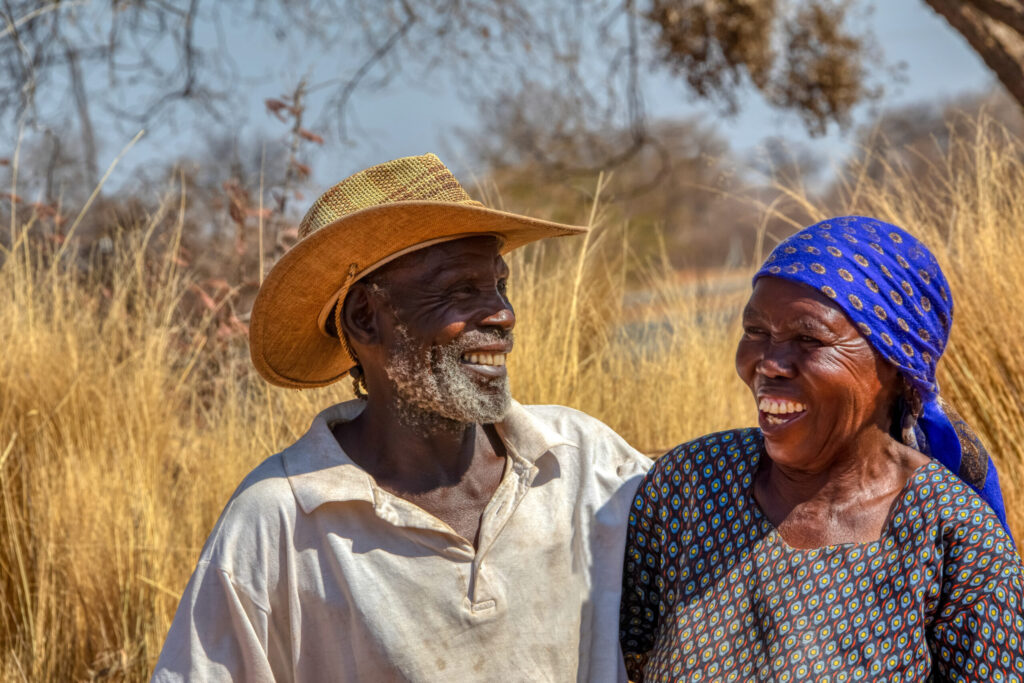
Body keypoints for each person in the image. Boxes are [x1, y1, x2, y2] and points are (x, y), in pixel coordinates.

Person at [154, 154, 650, 681]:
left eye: (499, 285)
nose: (503, 314)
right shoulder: (281, 524)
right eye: (462, 291)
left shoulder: (580, 462)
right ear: (366, 318)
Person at [620, 215, 1024, 681]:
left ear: (894, 364)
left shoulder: (955, 537)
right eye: (755, 332)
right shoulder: (690, 484)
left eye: (808, 339)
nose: (768, 363)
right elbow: (621, 658)